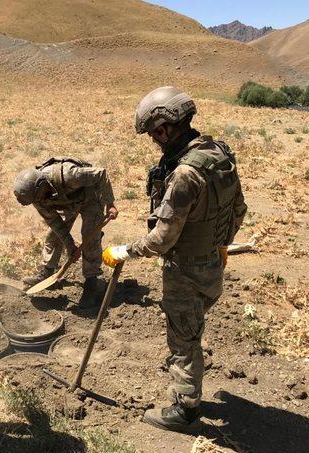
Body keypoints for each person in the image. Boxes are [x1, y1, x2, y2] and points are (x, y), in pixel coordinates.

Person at [102, 86, 247, 431]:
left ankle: (185, 409)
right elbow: (238, 208)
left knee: (183, 339)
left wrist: (124, 251)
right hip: (212, 264)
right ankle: (190, 373)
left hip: (186, 271)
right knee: (192, 327)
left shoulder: (184, 174)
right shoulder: (218, 154)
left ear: (165, 128)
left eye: (154, 134)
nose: (155, 141)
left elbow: (161, 240)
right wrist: (222, 244)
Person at [13, 158, 118, 307]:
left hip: (90, 198)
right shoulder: (36, 197)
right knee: (53, 236)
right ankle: (47, 271)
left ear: (42, 186)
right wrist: (70, 246)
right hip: (66, 202)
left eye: (39, 198)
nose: (39, 202)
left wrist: (110, 204)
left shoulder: (69, 176)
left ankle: (91, 282)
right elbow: (56, 223)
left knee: (90, 239)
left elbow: (101, 174)